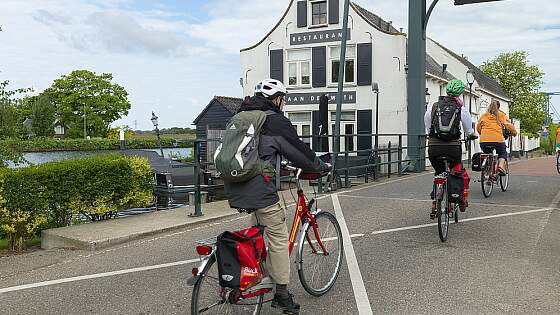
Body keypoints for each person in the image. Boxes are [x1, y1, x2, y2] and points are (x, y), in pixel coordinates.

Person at [224, 78, 330, 313]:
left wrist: (278, 168)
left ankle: (256, 272)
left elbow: (259, 153)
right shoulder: (274, 121)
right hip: (259, 189)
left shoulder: (242, 117)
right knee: (279, 237)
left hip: (235, 185)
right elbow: (298, 150)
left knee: (258, 232)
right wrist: (320, 166)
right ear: (278, 99)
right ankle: (281, 293)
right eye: (283, 99)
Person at [424, 79, 476, 219]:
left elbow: (428, 129)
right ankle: (460, 199)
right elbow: (469, 130)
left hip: (434, 147)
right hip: (453, 148)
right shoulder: (461, 109)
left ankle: (435, 201)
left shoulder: (433, 107)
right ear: (460, 94)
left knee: (439, 172)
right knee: (457, 171)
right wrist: (471, 136)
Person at [476, 100, 517, 174]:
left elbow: (478, 127)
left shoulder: (484, 115)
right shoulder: (501, 115)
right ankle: (500, 166)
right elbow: (509, 125)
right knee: (502, 152)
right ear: (499, 107)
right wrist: (514, 133)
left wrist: (482, 134)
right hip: (498, 140)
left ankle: (487, 173)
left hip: (484, 141)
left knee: (487, 153)